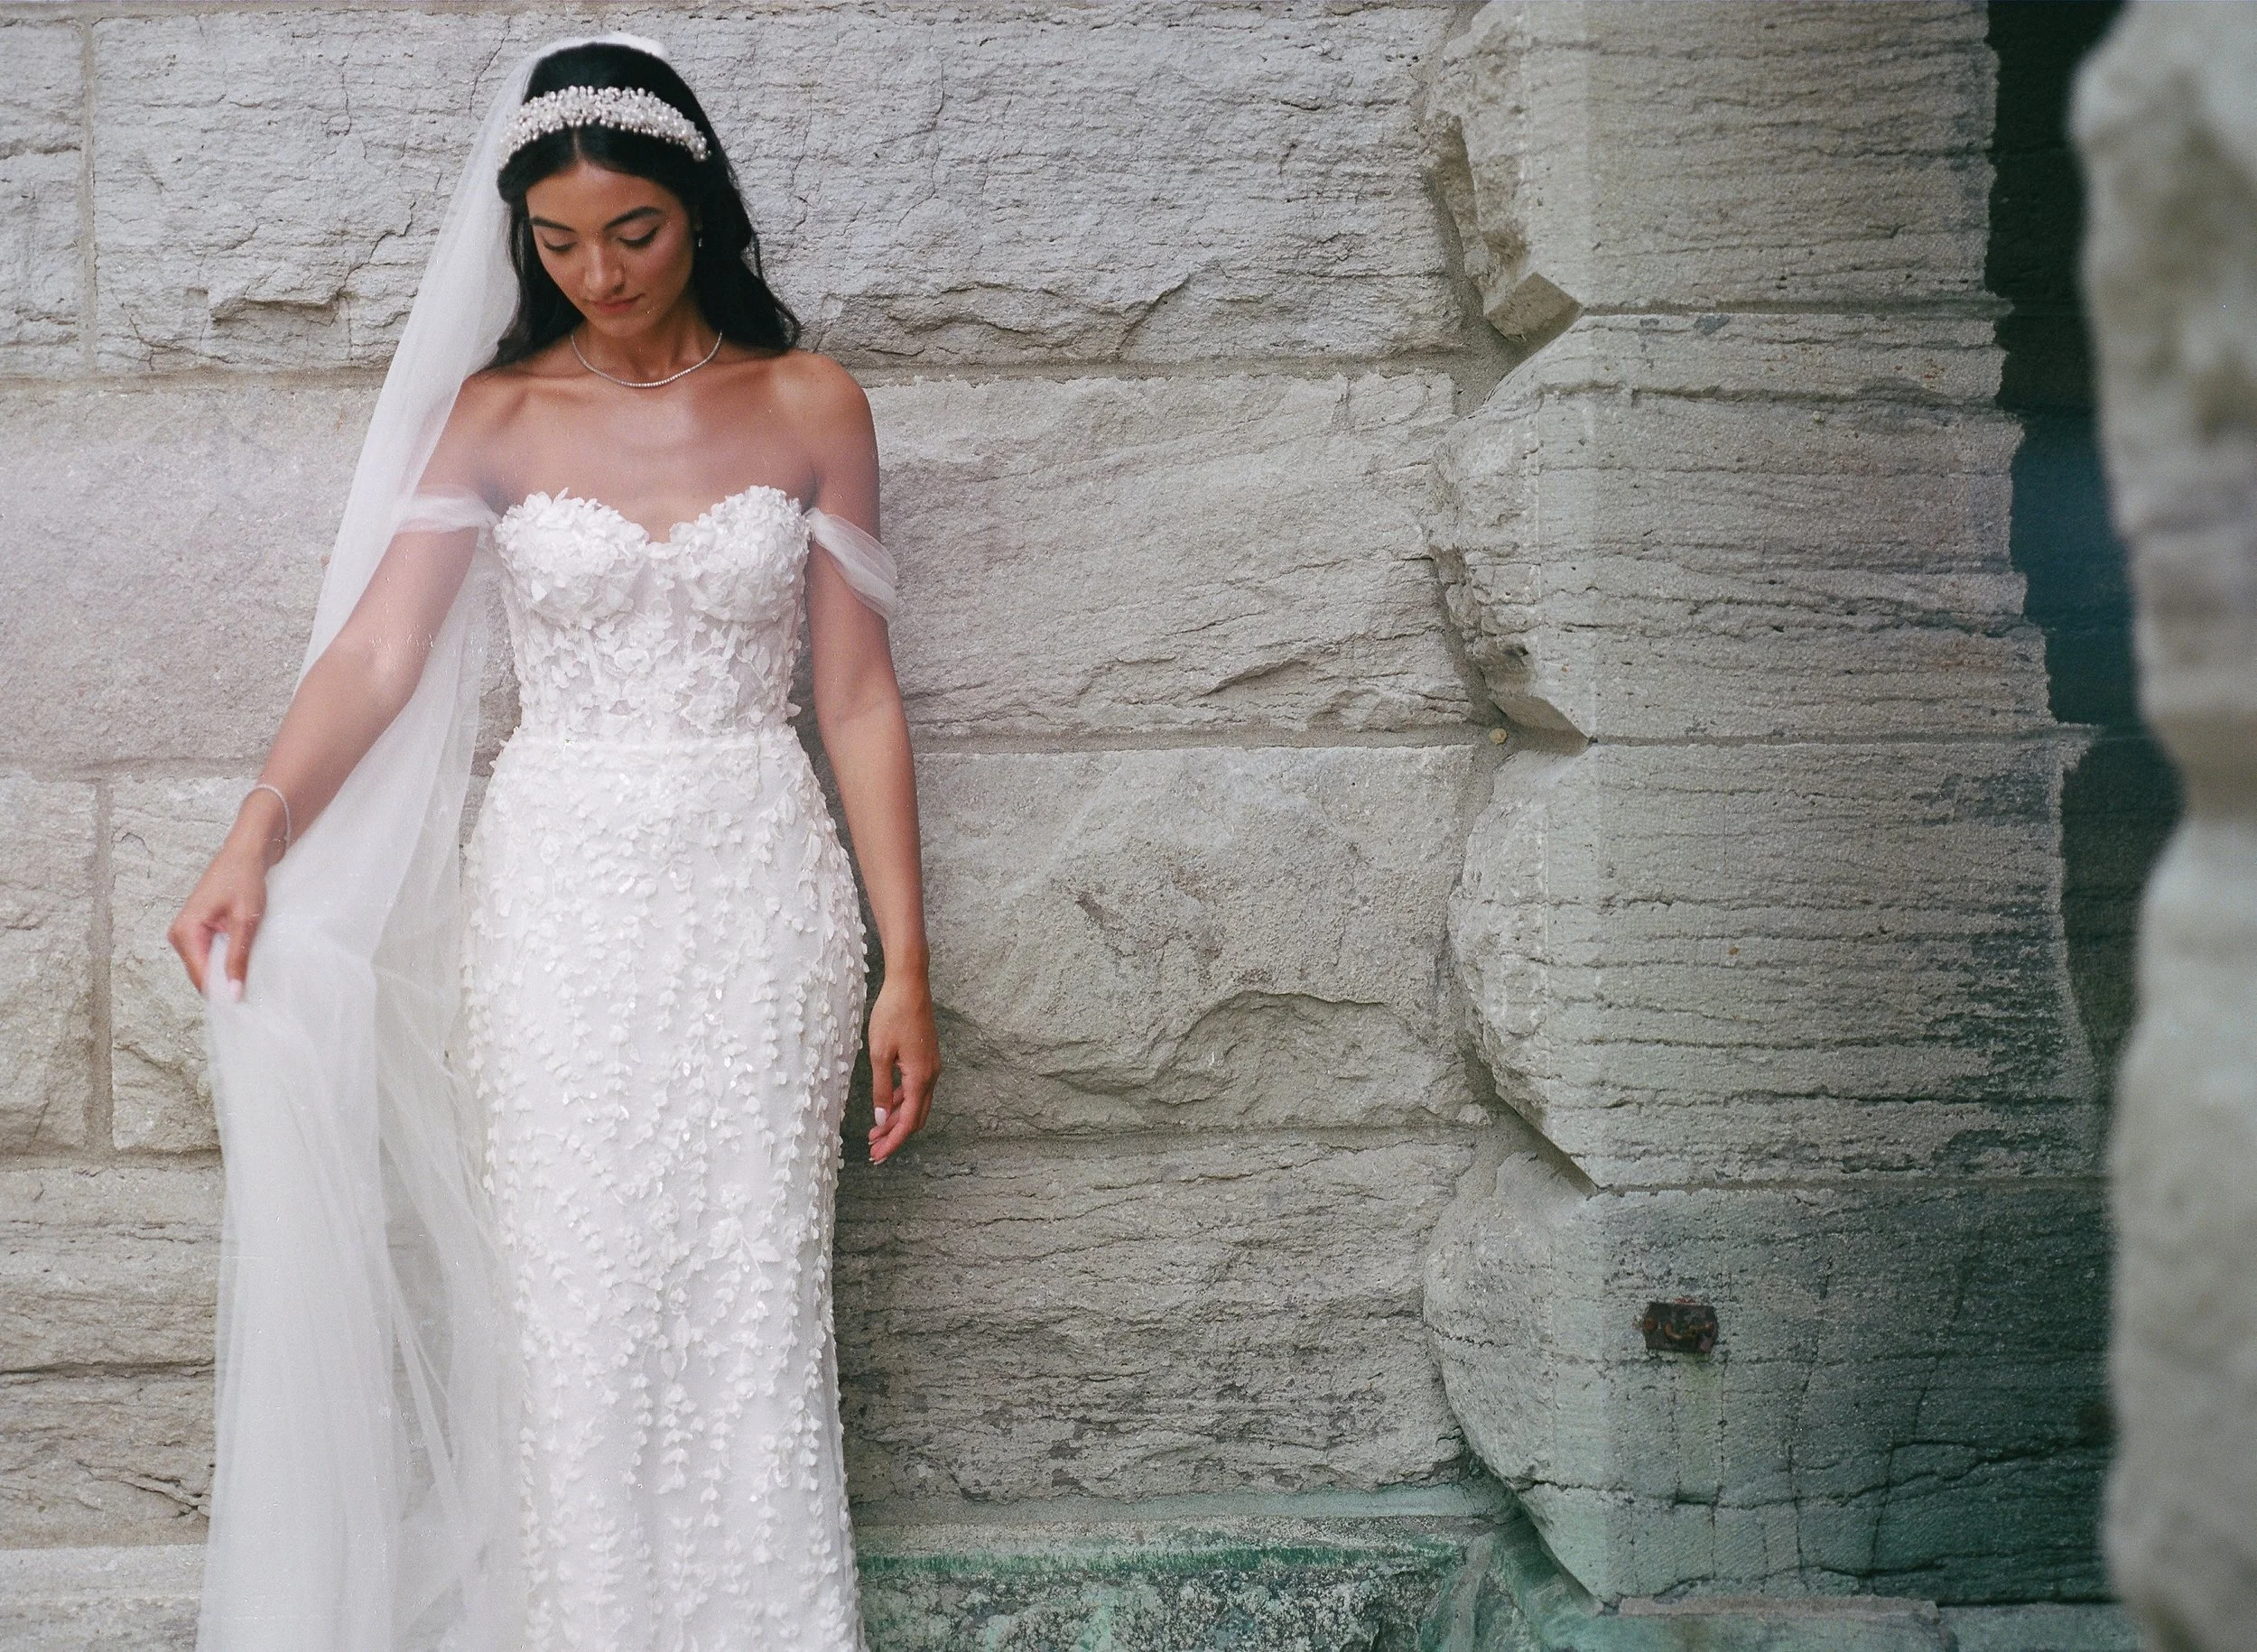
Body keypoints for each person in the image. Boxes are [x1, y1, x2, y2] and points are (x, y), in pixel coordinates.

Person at [164, 33, 937, 1651]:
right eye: (560, 242)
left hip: (755, 882)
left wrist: (903, 962)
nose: (599, 272)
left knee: (749, 1299)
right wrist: (255, 828)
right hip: (562, 889)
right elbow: (380, 654)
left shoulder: (811, 403)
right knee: (573, 1300)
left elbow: (857, 699)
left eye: (634, 232)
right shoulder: (499, 413)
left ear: (700, 209)